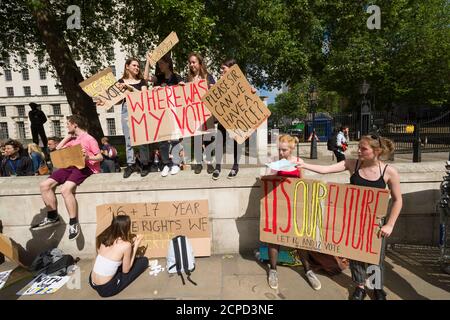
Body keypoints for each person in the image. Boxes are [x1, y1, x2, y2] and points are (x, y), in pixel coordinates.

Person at [296, 134, 402, 300]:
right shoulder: (352, 164)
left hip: (375, 224)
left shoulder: (389, 172)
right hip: (354, 221)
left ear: (377, 151)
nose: (358, 151)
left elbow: (398, 200)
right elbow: (325, 170)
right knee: (355, 256)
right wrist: (304, 164)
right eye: (359, 147)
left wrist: (390, 224)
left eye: (363, 148)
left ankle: (376, 287)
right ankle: (360, 286)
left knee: (376, 258)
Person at [264, 134, 322, 291]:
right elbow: (266, 181)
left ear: (291, 148)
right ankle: (273, 270)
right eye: (279, 150)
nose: (281, 153)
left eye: (284, 150)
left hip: (295, 205)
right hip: (278, 204)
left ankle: (308, 270)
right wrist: (275, 170)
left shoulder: (298, 162)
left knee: (299, 237)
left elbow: (303, 182)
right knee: (274, 238)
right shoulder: (275, 162)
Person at [31, 115, 103, 241]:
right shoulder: (73, 138)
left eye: (68, 124)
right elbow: (57, 149)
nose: (66, 126)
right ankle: (53, 216)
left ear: (75, 124)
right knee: (44, 185)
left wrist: (88, 158)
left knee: (65, 189)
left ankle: (73, 222)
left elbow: (100, 157)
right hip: (70, 166)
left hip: (84, 167)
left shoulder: (89, 139)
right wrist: (69, 136)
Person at [211, 58, 257, 180]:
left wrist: (252, 91)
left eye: (223, 68)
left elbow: (248, 97)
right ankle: (218, 167)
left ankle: (235, 167)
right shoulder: (220, 82)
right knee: (220, 141)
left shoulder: (241, 82)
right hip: (224, 118)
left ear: (231, 69)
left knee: (238, 142)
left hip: (237, 118)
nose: (221, 71)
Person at [89, 214, 148, 297]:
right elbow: (126, 270)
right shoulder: (126, 245)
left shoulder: (105, 238)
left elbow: (113, 251)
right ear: (126, 228)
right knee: (143, 261)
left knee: (115, 263)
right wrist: (135, 246)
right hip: (106, 289)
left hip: (92, 281)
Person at [145, 53, 183, 177]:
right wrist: (147, 61)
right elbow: (145, 78)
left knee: (175, 139)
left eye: (161, 63)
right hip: (161, 114)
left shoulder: (176, 77)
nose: (159, 65)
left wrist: (180, 87)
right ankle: (166, 163)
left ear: (167, 63)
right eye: (158, 63)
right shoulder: (159, 78)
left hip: (174, 113)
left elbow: (183, 91)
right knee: (162, 140)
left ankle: (176, 164)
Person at [115, 58, 149, 178]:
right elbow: (117, 101)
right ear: (127, 67)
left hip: (139, 110)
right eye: (134, 65)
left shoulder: (142, 81)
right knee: (128, 139)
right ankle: (130, 164)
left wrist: (129, 88)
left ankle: (145, 163)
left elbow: (144, 96)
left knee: (142, 139)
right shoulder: (120, 81)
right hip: (126, 109)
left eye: (138, 66)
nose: (136, 68)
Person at [185, 52, 216, 175]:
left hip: (207, 111)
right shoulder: (188, 78)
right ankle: (198, 163)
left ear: (200, 63)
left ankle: (209, 163)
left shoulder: (208, 77)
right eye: (190, 62)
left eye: (194, 62)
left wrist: (213, 87)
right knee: (197, 138)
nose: (191, 64)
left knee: (208, 138)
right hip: (194, 113)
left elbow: (215, 91)